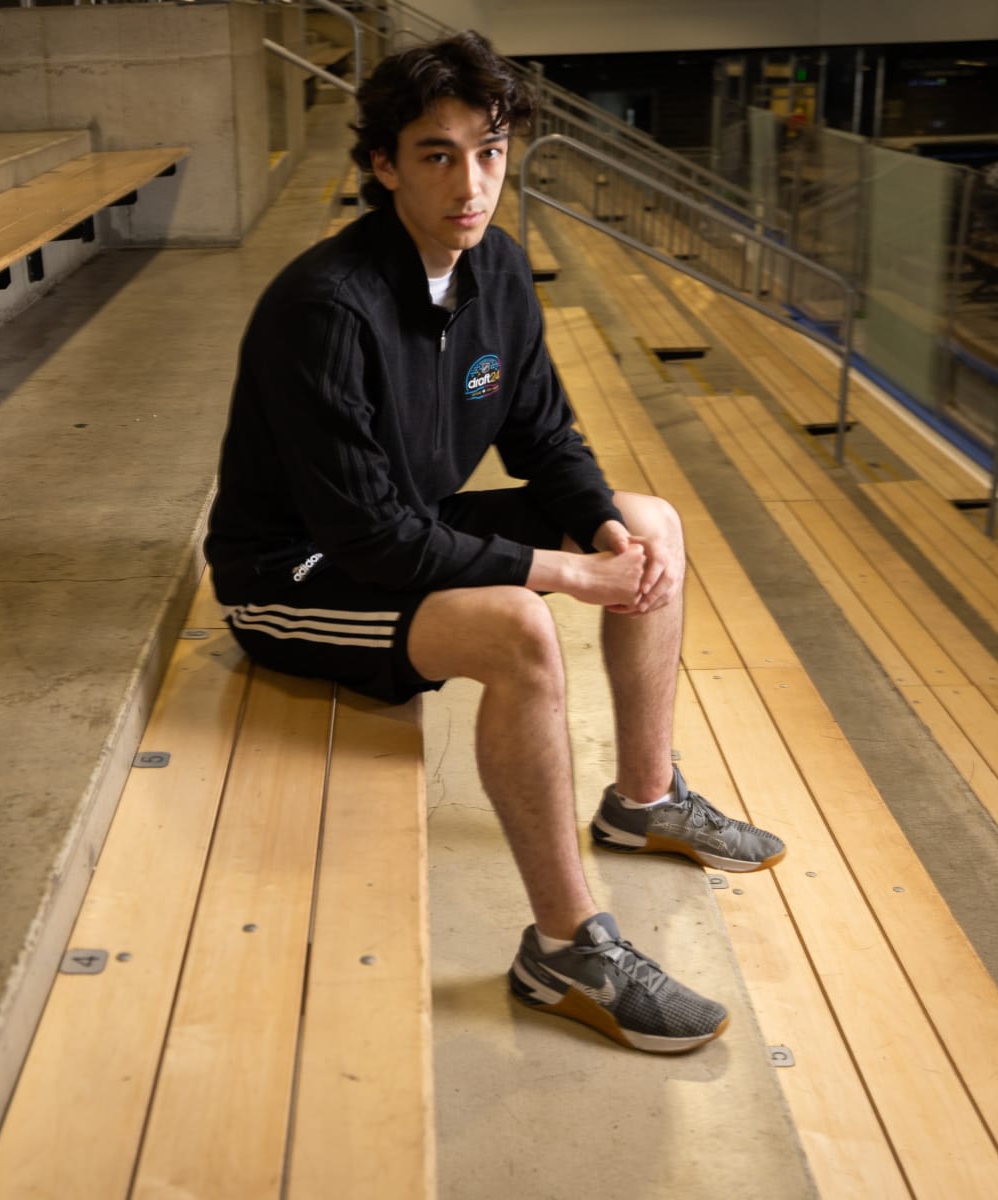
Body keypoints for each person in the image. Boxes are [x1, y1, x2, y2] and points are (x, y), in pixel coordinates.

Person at [204, 31, 786, 1054]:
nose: (470, 183)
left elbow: (546, 434)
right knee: (521, 624)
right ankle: (565, 947)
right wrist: (568, 571)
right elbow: (369, 535)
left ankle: (644, 800)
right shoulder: (323, 308)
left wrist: (603, 529)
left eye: (489, 151)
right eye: (436, 154)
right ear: (382, 165)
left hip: (403, 535)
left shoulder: (496, 268)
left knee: (653, 521)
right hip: (293, 574)